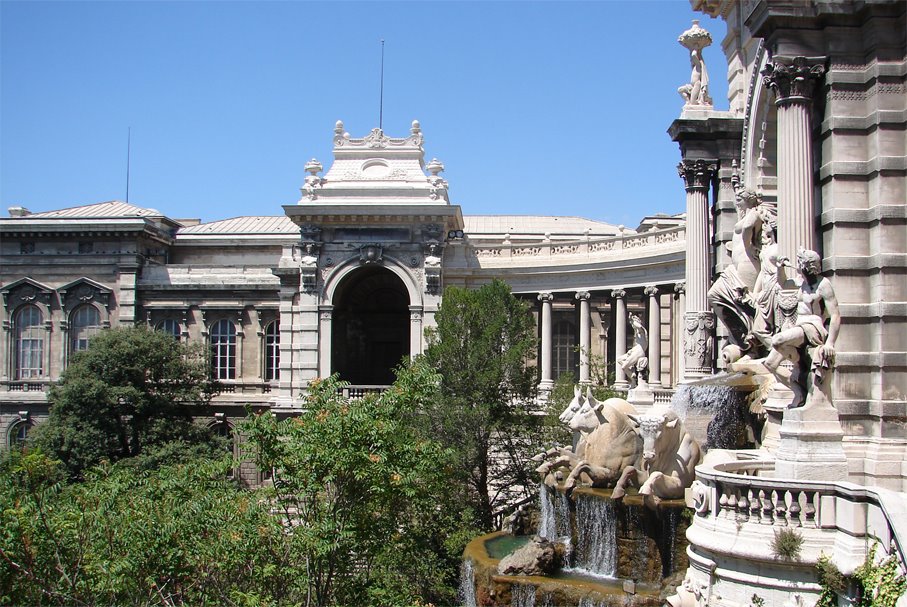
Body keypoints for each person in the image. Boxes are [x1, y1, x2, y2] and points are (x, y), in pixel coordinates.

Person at [761, 249, 841, 407]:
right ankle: (800, 390)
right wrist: (780, 268)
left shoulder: (823, 284)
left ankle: (798, 361)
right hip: (799, 327)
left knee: (777, 339)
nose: (798, 266)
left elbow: (836, 315)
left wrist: (830, 343)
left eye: (800, 263)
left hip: (814, 327)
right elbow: (783, 283)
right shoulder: (800, 281)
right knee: (770, 363)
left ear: (806, 266)